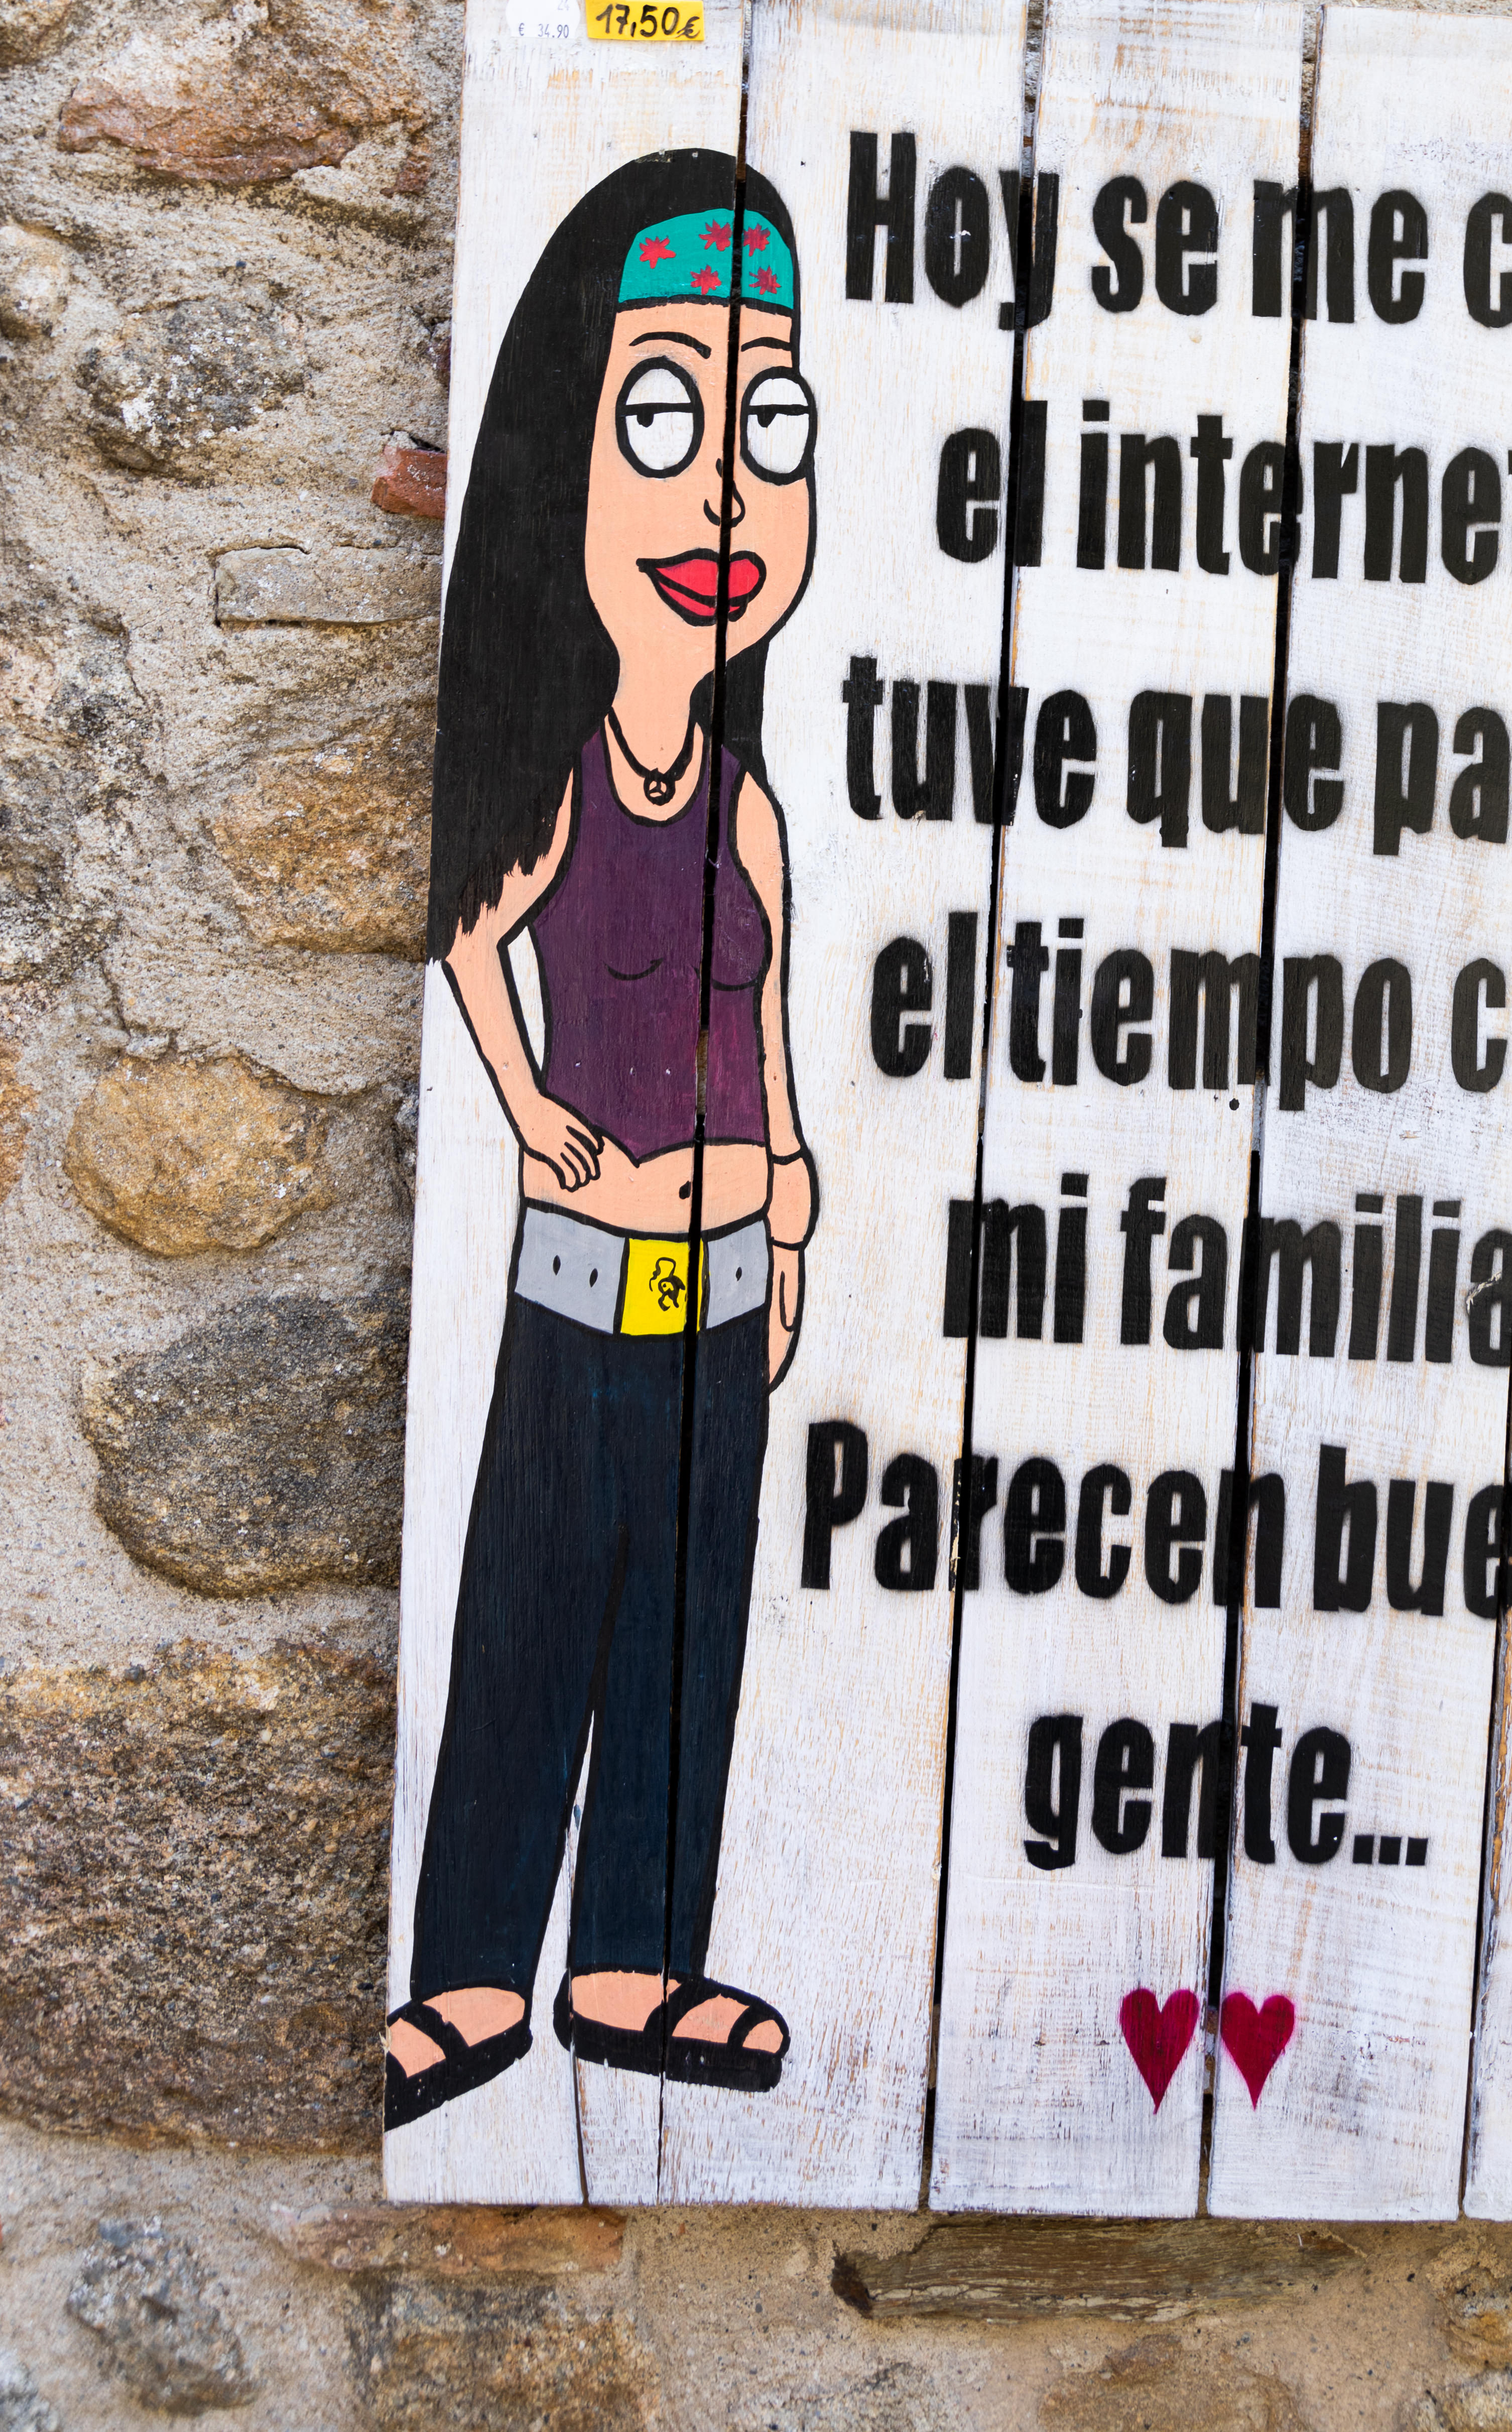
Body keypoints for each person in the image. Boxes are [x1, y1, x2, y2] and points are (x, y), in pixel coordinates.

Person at [385, 149, 819, 2130]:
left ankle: (637, 1955)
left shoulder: (745, 806)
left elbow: (768, 1029)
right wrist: (533, 1110)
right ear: (563, 446)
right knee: (533, 1598)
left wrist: (791, 1211)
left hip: (722, 1289)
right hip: (583, 1277)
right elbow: (472, 935)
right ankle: (471, 1971)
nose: (724, 489)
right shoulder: (564, 781)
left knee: (683, 1621)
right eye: (661, 419)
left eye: (768, 427)